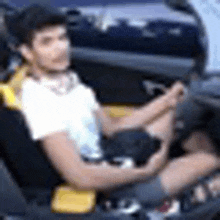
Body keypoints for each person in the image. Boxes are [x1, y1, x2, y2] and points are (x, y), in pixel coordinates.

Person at [7, 3, 220, 207]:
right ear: (26, 51)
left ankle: (192, 195)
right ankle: (186, 201)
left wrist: (168, 100)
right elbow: (80, 176)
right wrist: (146, 172)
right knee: (209, 161)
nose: (60, 48)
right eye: (46, 42)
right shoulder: (39, 101)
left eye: (62, 38)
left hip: (115, 153)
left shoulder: (67, 80)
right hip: (110, 187)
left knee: (182, 117)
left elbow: (112, 127)